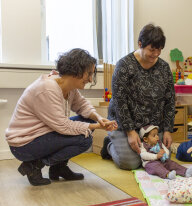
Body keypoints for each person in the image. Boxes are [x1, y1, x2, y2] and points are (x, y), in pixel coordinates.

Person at [5, 48, 118, 186]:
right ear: (76, 71)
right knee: (85, 140)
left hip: (40, 135)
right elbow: (63, 126)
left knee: (88, 121)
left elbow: (82, 105)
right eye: (88, 73)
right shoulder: (47, 88)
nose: (90, 79)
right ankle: (34, 165)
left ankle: (58, 168)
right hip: (24, 144)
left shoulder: (67, 87)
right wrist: (96, 126)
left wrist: (98, 118)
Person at [102, 23, 175, 170]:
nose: (155, 54)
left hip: (151, 127)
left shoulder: (164, 68)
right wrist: (130, 131)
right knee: (130, 163)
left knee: (163, 158)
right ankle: (109, 145)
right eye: (152, 49)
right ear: (140, 44)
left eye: (159, 50)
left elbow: (170, 100)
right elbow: (119, 102)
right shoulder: (124, 65)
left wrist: (167, 129)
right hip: (124, 125)